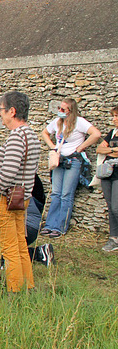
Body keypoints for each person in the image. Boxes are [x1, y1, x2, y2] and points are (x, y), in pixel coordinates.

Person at [0, 91, 41, 293]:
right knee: (19, 246)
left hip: (5, 199)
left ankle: (15, 290)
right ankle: (29, 286)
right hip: (20, 198)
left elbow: (8, 173)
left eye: (1, 110)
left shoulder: (17, 137)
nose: (0, 115)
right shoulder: (31, 135)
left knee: (9, 249)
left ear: (12, 111)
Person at [40, 98, 101, 237]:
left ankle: (60, 227)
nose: (60, 111)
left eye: (63, 109)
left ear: (70, 111)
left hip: (73, 161)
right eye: (59, 108)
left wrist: (81, 147)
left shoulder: (79, 122)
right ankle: (50, 224)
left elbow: (96, 134)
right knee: (56, 193)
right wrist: (53, 147)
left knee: (66, 194)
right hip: (59, 160)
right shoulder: (57, 122)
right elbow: (45, 133)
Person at [0, 171, 55, 267]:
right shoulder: (12, 183)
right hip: (30, 225)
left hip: (27, 227)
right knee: (12, 249)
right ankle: (39, 252)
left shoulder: (1, 186)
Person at [96, 105, 118, 252]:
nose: (114, 119)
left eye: (117, 116)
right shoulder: (112, 133)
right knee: (110, 207)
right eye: (114, 116)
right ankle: (114, 238)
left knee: (116, 207)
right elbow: (99, 149)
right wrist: (113, 149)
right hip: (107, 173)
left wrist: (108, 149)